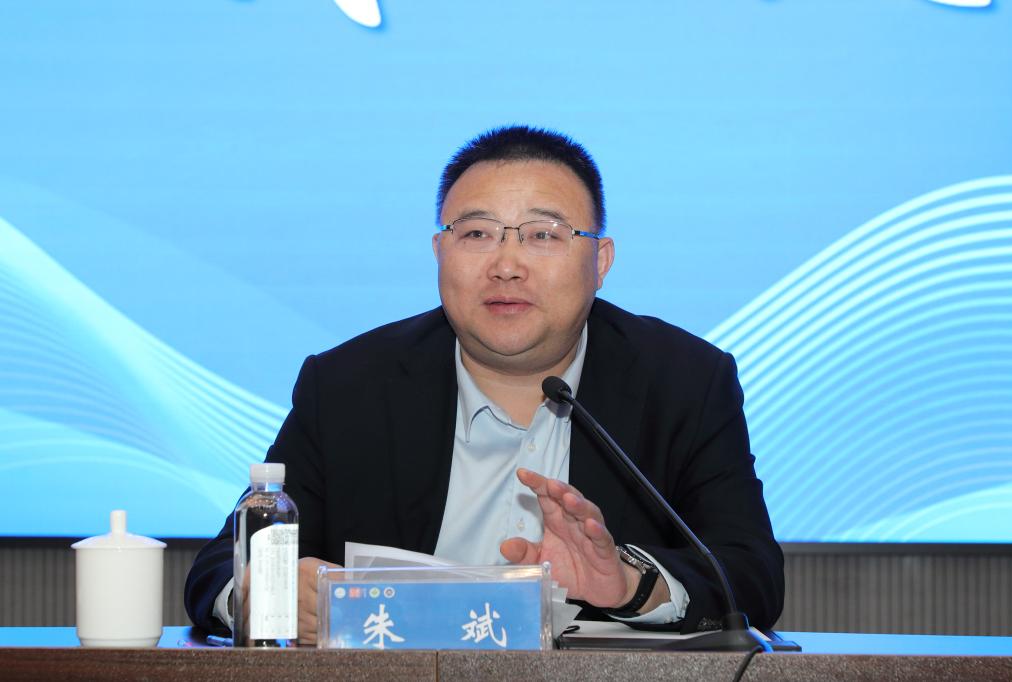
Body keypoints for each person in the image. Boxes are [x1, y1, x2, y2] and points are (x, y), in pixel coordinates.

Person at [185, 125, 784, 643]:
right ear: (439, 252)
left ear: (600, 261)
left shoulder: (684, 381)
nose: (506, 265)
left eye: (543, 235)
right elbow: (219, 571)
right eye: (477, 234)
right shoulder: (347, 386)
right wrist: (269, 598)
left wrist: (630, 584)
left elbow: (751, 574)